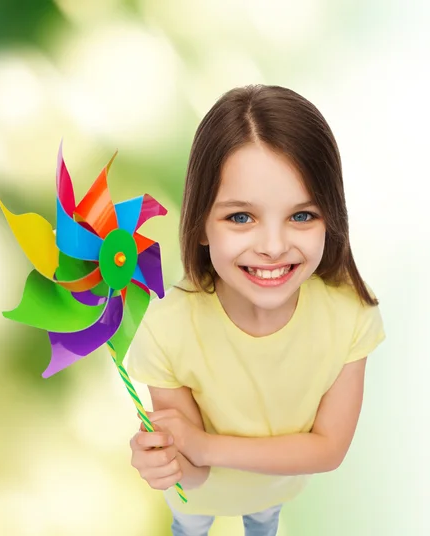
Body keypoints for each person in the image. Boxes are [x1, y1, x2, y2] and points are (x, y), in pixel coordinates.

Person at [126, 84, 386, 536]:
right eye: (241, 217)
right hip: (198, 497)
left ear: (333, 217)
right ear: (201, 224)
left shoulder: (350, 318)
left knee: (264, 519)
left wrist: (204, 445)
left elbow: (328, 451)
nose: (272, 246)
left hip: (277, 491)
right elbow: (197, 473)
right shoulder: (166, 328)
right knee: (190, 524)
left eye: (302, 216)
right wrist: (167, 459)